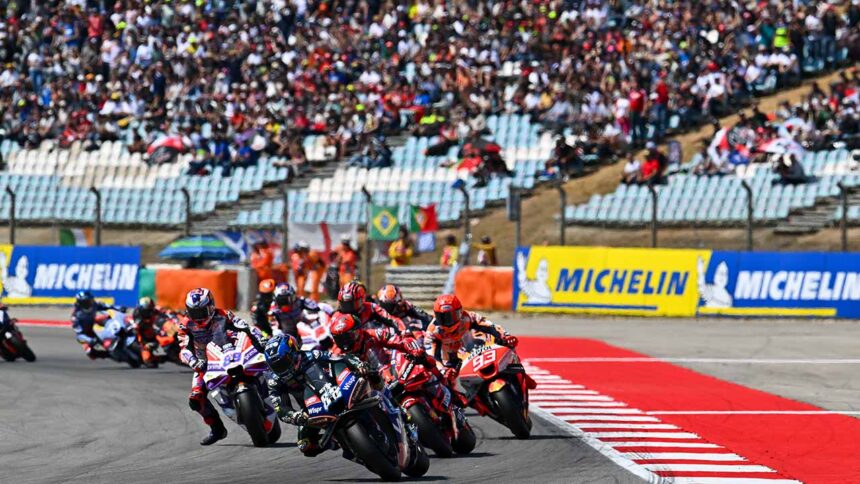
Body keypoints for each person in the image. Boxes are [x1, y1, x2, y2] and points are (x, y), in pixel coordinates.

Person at [264, 333, 373, 456]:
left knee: (369, 375)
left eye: (284, 362)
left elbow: (339, 358)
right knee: (305, 445)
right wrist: (294, 415)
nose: (282, 368)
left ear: (293, 352)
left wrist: (358, 364)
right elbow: (280, 408)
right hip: (311, 410)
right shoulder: (275, 382)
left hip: (335, 389)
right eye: (276, 366)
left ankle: (379, 398)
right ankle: (336, 442)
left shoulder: (311, 355)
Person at [177, 287, 260, 445]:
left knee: (260, 362)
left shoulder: (224, 315)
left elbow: (245, 327)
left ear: (211, 306)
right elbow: (183, 349)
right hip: (205, 364)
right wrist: (194, 361)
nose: (198, 317)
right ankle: (217, 429)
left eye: (202, 312)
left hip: (231, 354)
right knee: (195, 399)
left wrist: (258, 338)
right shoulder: (185, 325)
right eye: (194, 313)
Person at [427, 294, 522, 386]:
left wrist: (505, 336)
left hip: (472, 349)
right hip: (451, 361)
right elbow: (431, 355)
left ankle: (522, 376)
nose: (447, 322)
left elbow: (490, 326)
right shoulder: (432, 331)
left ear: (460, 312)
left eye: (450, 316)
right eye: (441, 317)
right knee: (448, 385)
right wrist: (443, 369)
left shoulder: (468, 316)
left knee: (509, 347)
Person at [329, 313, 428, 383]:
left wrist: (413, 350)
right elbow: (337, 376)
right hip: (370, 384)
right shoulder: (336, 354)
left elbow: (399, 341)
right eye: (340, 339)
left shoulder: (373, 334)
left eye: (348, 337)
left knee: (423, 361)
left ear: (358, 331)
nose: (345, 342)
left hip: (391, 369)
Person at [268, 283, 333, 344]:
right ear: (276, 299)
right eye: (282, 300)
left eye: (290, 298)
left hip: (303, 327)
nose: (287, 303)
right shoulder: (273, 311)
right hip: (288, 333)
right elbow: (275, 330)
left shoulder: (299, 300)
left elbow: (317, 306)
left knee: (314, 318)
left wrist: (332, 312)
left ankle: (327, 340)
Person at [70, 290, 126, 360]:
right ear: (80, 303)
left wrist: (119, 308)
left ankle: (122, 332)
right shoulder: (75, 316)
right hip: (86, 332)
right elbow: (79, 335)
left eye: (89, 301)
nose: (88, 303)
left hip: (94, 322)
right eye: (85, 302)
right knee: (90, 352)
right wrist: (90, 340)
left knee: (107, 318)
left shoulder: (94, 304)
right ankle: (109, 355)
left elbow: (107, 306)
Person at [334, 281, 406, 333]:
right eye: (345, 305)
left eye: (352, 304)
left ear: (362, 301)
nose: (348, 309)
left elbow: (392, 319)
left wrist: (402, 331)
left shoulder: (371, 307)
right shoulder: (335, 317)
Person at [130, 297, 177, 367]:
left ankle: (174, 341)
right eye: (146, 311)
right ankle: (159, 356)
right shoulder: (137, 317)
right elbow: (137, 332)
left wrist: (172, 314)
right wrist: (144, 344)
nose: (148, 312)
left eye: (150, 309)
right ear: (141, 310)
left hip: (158, 332)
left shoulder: (155, 310)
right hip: (147, 340)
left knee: (170, 328)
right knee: (147, 359)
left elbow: (166, 312)